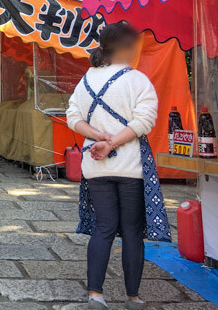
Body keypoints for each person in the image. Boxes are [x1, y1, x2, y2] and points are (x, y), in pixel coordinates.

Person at [66, 22, 169, 310]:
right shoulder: (137, 80)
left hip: (96, 166)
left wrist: (98, 137)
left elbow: (73, 117)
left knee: (104, 228)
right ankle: (133, 297)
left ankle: (95, 295)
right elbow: (144, 120)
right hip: (130, 166)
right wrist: (112, 142)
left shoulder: (86, 80)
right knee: (133, 231)